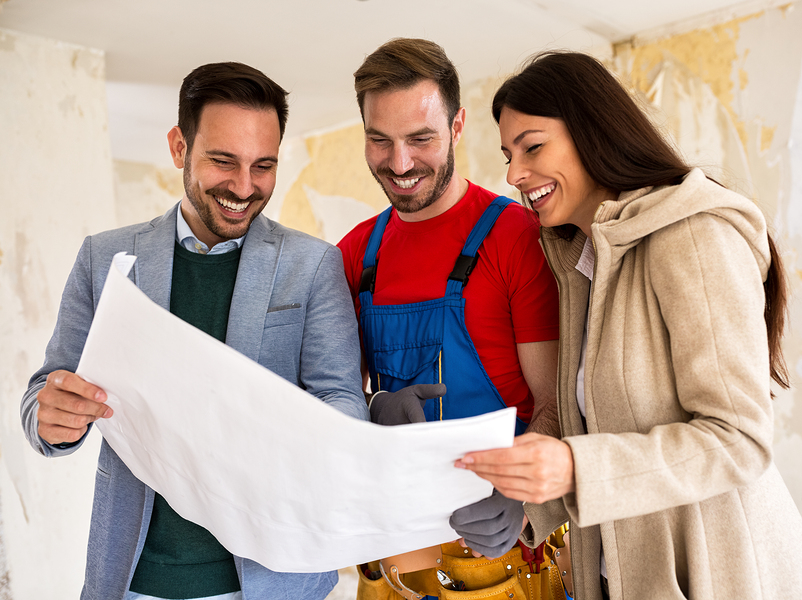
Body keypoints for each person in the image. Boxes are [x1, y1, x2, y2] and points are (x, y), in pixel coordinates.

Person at [455, 51, 802, 600]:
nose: (514, 174)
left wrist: (572, 469)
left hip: (723, 578)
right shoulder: (579, 264)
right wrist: (522, 505)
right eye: (508, 155)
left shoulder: (693, 235)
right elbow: (600, 425)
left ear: (592, 132)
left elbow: (739, 441)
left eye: (533, 147)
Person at [20, 62, 368, 600]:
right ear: (179, 147)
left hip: (272, 582)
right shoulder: (104, 257)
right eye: (223, 161)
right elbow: (45, 393)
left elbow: (343, 397)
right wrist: (51, 417)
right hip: (134, 581)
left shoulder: (314, 265)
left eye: (264, 166)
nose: (245, 187)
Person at [336, 39, 563, 600]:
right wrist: (371, 409)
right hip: (392, 561)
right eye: (379, 140)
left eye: (421, 138)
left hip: (504, 556)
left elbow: (559, 398)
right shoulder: (352, 254)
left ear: (458, 124)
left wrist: (526, 495)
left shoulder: (517, 239)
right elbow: (328, 403)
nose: (400, 163)